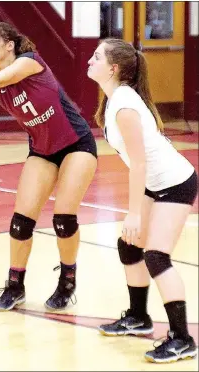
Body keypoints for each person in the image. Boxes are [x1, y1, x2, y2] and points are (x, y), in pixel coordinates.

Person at [0, 22, 98, 312]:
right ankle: (15, 286)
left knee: (63, 219)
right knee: (20, 223)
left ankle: (67, 280)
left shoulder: (30, 62)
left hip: (77, 144)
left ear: (10, 45)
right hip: (42, 150)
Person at [87, 38, 198, 363]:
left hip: (175, 184)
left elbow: (140, 163)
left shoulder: (123, 106)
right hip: (155, 183)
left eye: (96, 57)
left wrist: (134, 213)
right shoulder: (115, 99)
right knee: (129, 246)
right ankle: (138, 317)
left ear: (114, 68)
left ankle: (182, 338)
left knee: (156, 256)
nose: (89, 62)